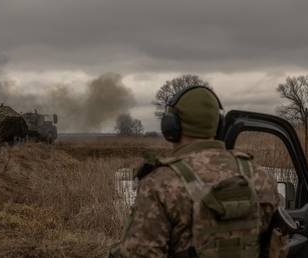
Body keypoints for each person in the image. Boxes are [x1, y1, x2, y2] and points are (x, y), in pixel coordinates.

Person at [109, 86, 280, 258]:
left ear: (171, 127)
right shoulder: (260, 177)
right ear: (219, 125)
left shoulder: (160, 184)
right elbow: (277, 248)